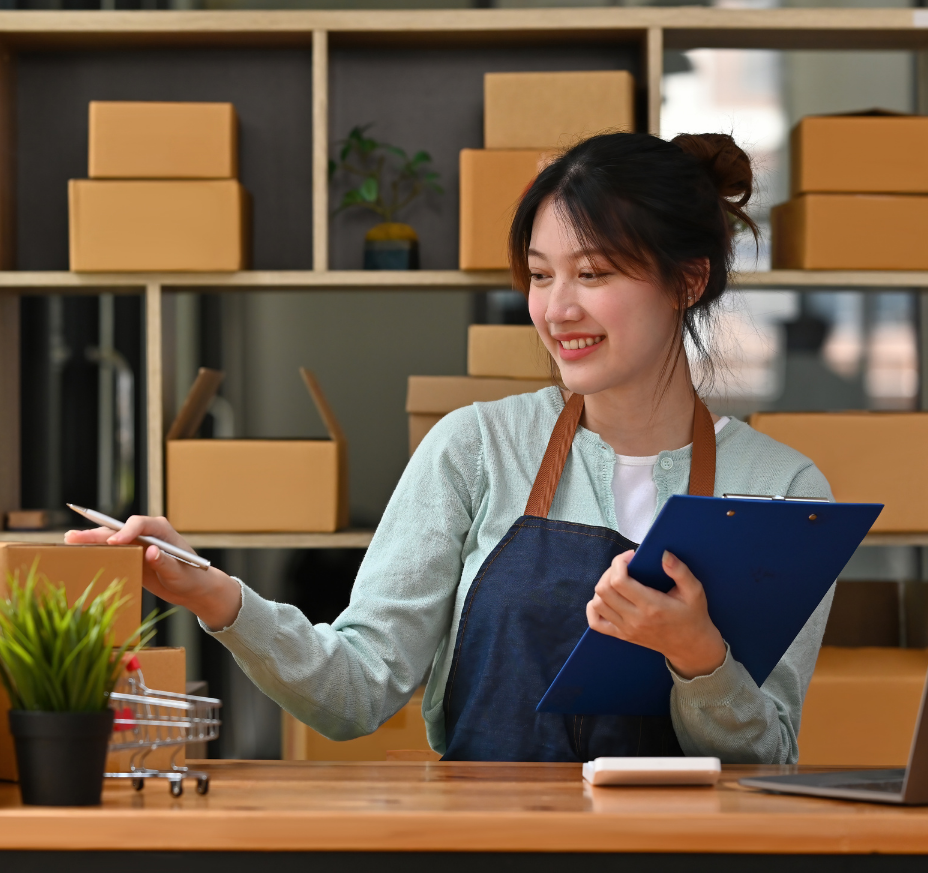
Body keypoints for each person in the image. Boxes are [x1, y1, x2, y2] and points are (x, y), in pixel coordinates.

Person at [67, 131, 833, 763]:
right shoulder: (477, 448)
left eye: (593, 273)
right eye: (539, 275)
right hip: (487, 847)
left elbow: (768, 754)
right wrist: (213, 594)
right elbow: (356, 691)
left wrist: (698, 655)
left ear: (687, 281)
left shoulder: (784, 492)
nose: (557, 308)